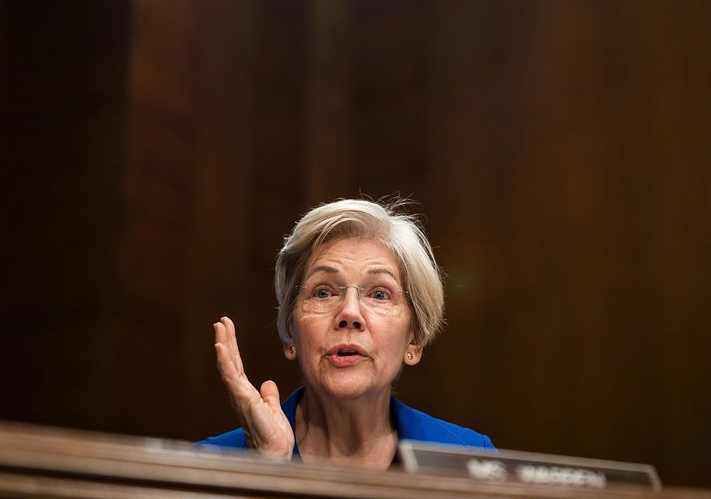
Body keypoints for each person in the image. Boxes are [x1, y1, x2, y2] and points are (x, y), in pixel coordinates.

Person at [196, 199, 494, 468]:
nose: (349, 313)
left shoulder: (469, 460)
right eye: (323, 292)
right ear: (289, 331)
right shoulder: (208, 467)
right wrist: (269, 473)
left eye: (379, 294)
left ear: (413, 339)